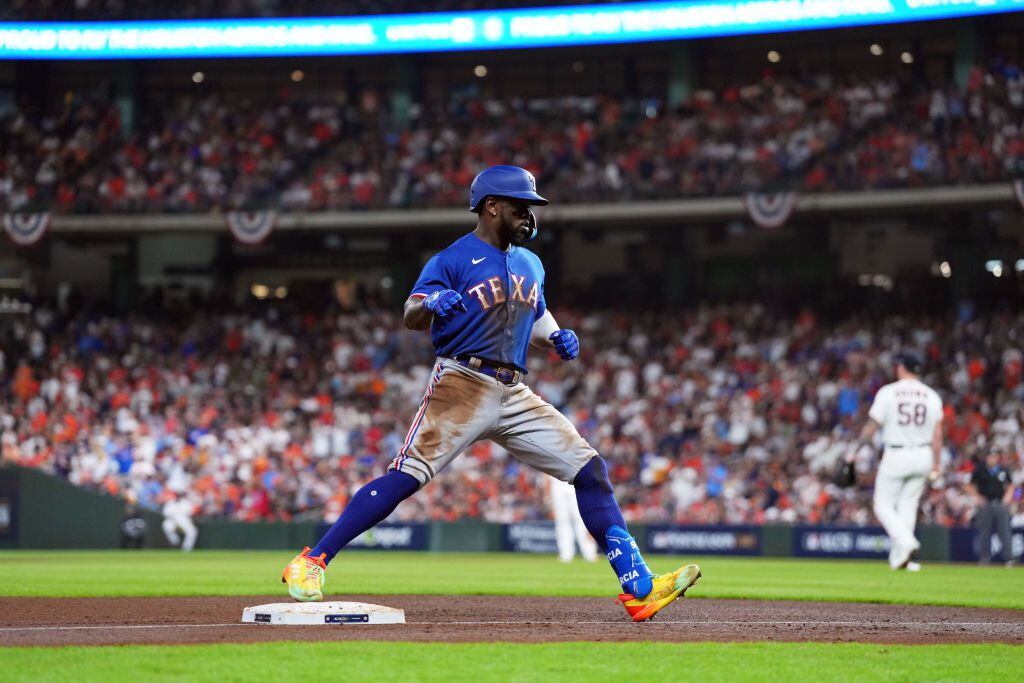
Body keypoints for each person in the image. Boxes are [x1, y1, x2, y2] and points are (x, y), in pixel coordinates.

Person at [282, 165, 700, 622]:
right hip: (462, 381)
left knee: (590, 469)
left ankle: (638, 587)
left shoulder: (530, 262)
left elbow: (535, 317)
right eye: (521, 206)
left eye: (532, 207)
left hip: (514, 389)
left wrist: (556, 336)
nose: (529, 215)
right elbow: (410, 313)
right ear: (491, 206)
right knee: (407, 477)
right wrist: (431, 303)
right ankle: (311, 561)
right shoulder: (452, 258)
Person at [847, 353, 943, 571]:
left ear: (901, 368)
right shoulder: (932, 396)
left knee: (882, 504)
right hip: (923, 454)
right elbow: (938, 436)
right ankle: (901, 559)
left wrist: (855, 450)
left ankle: (906, 542)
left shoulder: (889, 392)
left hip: (897, 453)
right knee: (908, 505)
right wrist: (936, 464)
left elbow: (872, 426)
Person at [967, 452, 1016, 567]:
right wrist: (977, 497)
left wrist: (1009, 497)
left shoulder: (1003, 470)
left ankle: (1009, 559)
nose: (992, 459)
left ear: (997, 458)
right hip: (986, 504)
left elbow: (1011, 486)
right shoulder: (980, 469)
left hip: (1000, 503)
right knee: (984, 532)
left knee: (1004, 532)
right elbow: (969, 485)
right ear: (987, 457)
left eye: (994, 456)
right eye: (990, 456)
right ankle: (985, 559)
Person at [548, 475, 599, 563]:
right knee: (562, 522)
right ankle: (565, 554)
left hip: (574, 481)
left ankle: (589, 553)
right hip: (556, 483)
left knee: (582, 519)